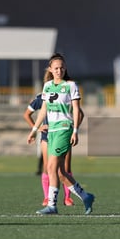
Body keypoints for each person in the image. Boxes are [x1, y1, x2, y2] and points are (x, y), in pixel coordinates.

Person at [27, 53, 94, 215]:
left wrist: (76, 131)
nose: (59, 70)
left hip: (64, 129)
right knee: (60, 172)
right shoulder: (47, 86)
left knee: (51, 167)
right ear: (50, 69)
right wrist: (34, 130)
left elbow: (77, 110)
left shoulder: (71, 86)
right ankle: (85, 196)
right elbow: (43, 110)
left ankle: (52, 205)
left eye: (62, 68)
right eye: (56, 68)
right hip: (51, 131)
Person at [23, 70, 85, 207]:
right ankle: (49, 199)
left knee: (64, 168)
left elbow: (80, 113)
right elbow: (27, 114)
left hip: (63, 133)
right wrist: (36, 128)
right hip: (48, 135)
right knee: (49, 168)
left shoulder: (67, 92)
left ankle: (68, 198)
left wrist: (74, 129)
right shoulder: (42, 97)